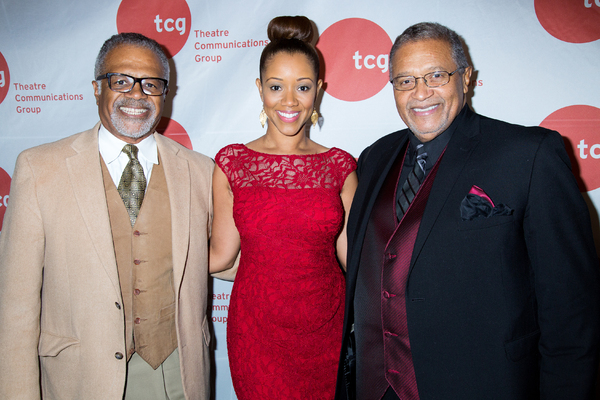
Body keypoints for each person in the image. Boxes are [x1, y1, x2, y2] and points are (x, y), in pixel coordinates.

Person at [335, 22, 600, 400]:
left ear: (467, 77)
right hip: (376, 388)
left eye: (436, 76)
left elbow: (572, 310)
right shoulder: (374, 158)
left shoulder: (528, 154)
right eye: (405, 81)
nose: (421, 93)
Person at [0, 33, 213, 400]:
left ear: (166, 93)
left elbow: (230, 258)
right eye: (121, 81)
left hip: (178, 375)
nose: (137, 94)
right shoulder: (39, 168)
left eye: (151, 84)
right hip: (80, 380)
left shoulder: (201, 170)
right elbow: (16, 305)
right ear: (97, 88)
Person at [209, 15, 358, 400]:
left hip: (327, 327)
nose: (289, 101)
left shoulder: (340, 165)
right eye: (276, 87)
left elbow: (354, 259)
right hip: (257, 332)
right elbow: (221, 255)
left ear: (319, 90)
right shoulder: (232, 162)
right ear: (260, 89)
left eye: (303, 87)